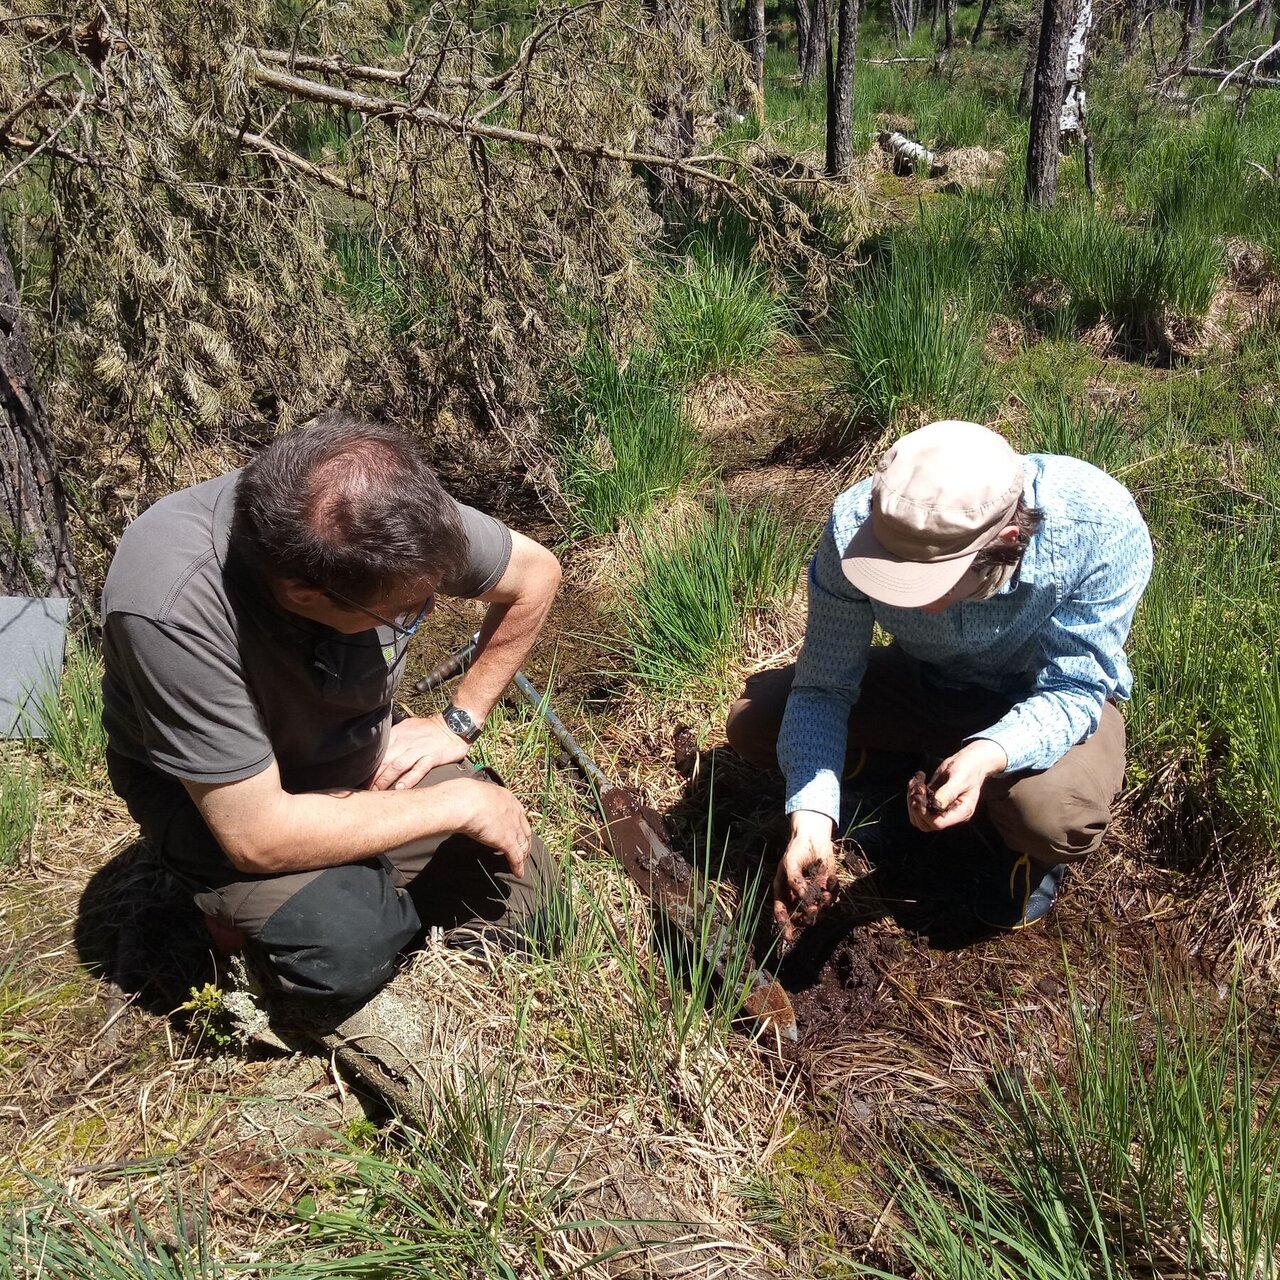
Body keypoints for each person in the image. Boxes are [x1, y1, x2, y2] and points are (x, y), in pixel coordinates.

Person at [101, 412, 563, 1010]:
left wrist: (460, 719)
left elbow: (536, 575)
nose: (423, 609)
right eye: (405, 612)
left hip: (348, 746)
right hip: (220, 800)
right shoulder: (172, 607)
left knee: (534, 899)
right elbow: (256, 835)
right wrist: (456, 802)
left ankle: (357, 877)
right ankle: (222, 909)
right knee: (347, 948)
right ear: (306, 596)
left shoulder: (375, 504)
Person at [726, 419, 1152, 936]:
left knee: (1053, 815)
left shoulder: (1101, 529)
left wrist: (988, 753)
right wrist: (812, 819)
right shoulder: (858, 528)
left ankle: (1017, 851)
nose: (908, 601)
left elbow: (1074, 691)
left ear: (1007, 542)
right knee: (756, 722)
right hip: (924, 683)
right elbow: (824, 687)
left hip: (1039, 697)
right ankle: (891, 792)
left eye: (926, 584)